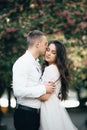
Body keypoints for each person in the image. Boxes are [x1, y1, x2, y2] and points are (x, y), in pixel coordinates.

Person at [12, 30, 55, 130]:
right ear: (37, 44)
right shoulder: (23, 62)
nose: (47, 47)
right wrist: (43, 89)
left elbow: (32, 85)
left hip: (34, 115)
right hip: (25, 115)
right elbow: (18, 91)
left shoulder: (35, 63)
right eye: (45, 44)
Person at [39, 40, 78, 130]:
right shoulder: (56, 69)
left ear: (58, 56)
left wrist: (26, 90)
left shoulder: (51, 69)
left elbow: (44, 97)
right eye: (48, 50)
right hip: (54, 108)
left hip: (48, 109)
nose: (48, 53)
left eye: (53, 52)